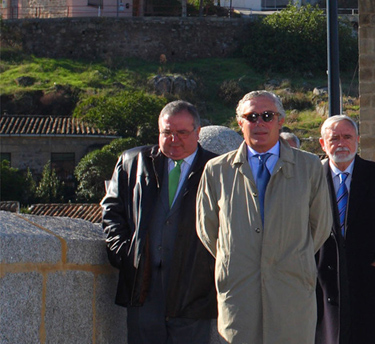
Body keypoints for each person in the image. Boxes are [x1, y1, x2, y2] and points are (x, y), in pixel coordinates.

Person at [196, 91, 332, 344]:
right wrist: (240, 256)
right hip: (239, 292)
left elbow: (320, 226)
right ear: (239, 123)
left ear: (280, 121)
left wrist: (290, 256)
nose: (259, 123)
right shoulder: (217, 170)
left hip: (291, 292)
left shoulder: (310, 167)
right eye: (251, 117)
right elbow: (208, 228)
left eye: (267, 116)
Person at [102, 100, 217, 344]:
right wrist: (125, 253)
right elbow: (112, 210)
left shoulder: (217, 169)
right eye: (167, 132)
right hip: (143, 287)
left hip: (194, 290)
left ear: (198, 132)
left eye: (182, 133)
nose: (173, 139)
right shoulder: (133, 162)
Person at [316, 115, 375, 344]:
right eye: (334, 138)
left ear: (358, 139)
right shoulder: (311, 178)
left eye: (347, 137)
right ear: (322, 143)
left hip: (371, 286)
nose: (341, 143)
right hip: (323, 286)